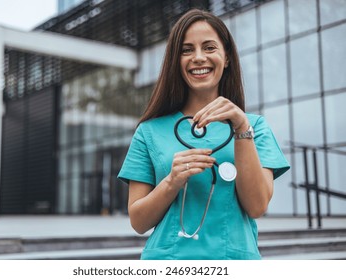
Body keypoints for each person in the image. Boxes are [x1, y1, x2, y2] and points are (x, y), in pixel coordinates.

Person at [118, 9, 290, 260]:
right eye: (187, 50)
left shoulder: (254, 127)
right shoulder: (149, 132)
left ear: (227, 57)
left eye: (209, 47)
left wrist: (241, 128)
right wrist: (171, 180)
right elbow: (138, 221)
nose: (198, 57)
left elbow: (257, 206)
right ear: (176, 61)